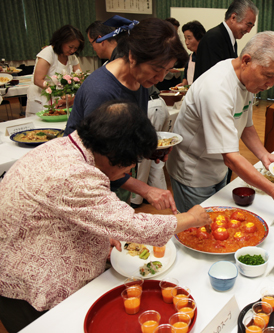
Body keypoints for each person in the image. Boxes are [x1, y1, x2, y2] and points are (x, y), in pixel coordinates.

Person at [0, 100, 210, 332]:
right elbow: (135, 227)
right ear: (113, 153)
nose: (129, 171)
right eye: (130, 163)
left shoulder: (66, 147)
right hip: (27, 285)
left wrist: (98, 228)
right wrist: (192, 218)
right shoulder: (74, 174)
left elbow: (64, 211)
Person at [65, 17, 188, 209]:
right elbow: (99, 163)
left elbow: (123, 139)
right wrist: (145, 189)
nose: (160, 78)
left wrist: (147, 149)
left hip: (113, 176)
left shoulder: (138, 81)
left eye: (166, 70)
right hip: (86, 183)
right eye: (156, 69)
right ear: (132, 57)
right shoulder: (102, 91)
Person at [166, 31, 274, 214]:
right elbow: (231, 158)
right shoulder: (217, 89)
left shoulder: (246, 79)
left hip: (217, 167)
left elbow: (246, 125)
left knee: (218, 219)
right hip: (194, 171)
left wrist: (264, 155)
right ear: (246, 60)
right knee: (199, 229)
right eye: (268, 75)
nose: (271, 84)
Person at [26, 25, 84, 116]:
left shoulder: (72, 57)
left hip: (59, 99)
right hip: (41, 98)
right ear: (61, 41)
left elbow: (79, 76)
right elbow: (38, 80)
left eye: (75, 48)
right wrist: (61, 92)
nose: (72, 50)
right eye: (70, 47)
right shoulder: (48, 53)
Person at [193, 0, 258, 81]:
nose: (249, 30)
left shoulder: (231, 39)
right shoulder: (214, 38)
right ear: (233, 18)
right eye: (248, 25)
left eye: (251, 27)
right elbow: (212, 77)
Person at [176, 20, 206, 86]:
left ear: (200, 38)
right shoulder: (190, 57)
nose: (186, 42)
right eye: (185, 38)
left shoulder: (208, 57)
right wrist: (183, 84)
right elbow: (186, 78)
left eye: (189, 38)